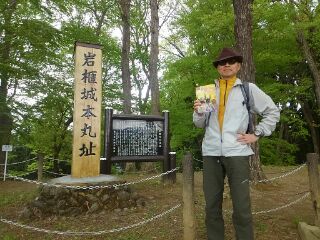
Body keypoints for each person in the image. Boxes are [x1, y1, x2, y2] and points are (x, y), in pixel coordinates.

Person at [193, 47, 280, 240]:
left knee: (241, 206)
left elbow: (272, 111)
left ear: (238, 65)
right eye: (222, 63)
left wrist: (257, 133)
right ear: (218, 68)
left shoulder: (248, 89)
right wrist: (199, 112)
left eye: (231, 61)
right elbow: (199, 123)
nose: (226, 65)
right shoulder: (208, 91)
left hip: (238, 153)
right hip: (211, 153)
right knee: (211, 206)